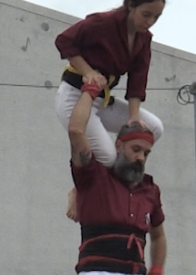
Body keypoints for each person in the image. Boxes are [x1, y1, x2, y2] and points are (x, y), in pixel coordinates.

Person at [66, 77, 167, 275]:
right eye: (136, 149)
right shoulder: (94, 176)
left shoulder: (150, 189)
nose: (141, 157)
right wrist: (90, 90)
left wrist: (156, 273)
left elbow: (159, 235)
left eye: (147, 153)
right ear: (119, 146)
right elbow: (77, 131)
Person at [55, 0, 167, 221]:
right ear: (130, 6)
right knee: (106, 157)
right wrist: (87, 71)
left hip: (102, 100)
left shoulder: (143, 39)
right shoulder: (102, 23)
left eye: (156, 17)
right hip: (75, 96)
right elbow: (64, 41)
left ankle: (118, 174)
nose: (150, 22)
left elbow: (137, 81)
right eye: (146, 14)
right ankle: (79, 187)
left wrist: (134, 119)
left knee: (154, 128)